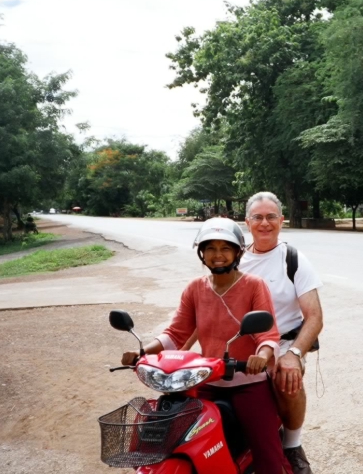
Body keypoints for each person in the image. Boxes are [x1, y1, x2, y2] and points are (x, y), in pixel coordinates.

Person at [121, 218, 293, 474]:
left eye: (225, 248)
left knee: (267, 453)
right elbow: (176, 333)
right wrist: (143, 352)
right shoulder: (195, 289)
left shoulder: (254, 285)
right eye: (211, 248)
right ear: (202, 253)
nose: (218, 255)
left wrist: (262, 354)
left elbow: (266, 334)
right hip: (204, 383)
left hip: (247, 384)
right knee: (175, 440)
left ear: (237, 252)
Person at [242, 192, 323, 474]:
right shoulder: (234, 260)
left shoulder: (293, 259)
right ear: (247, 222)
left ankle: (292, 446)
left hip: (285, 342)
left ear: (281, 221)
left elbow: (314, 317)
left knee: (288, 380)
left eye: (271, 216)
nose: (265, 223)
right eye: (258, 217)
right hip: (245, 344)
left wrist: (294, 354)